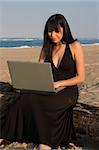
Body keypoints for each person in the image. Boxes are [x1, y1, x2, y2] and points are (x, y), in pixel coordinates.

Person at [0, 14, 85, 149]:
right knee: (25, 99)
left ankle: (45, 142)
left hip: (68, 90)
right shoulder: (47, 48)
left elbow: (81, 77)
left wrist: (59, 83)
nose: (53, 34)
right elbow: (38, 71)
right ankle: (8, 134)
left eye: (57, 31)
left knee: (46, 104)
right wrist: (29, 83)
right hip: (48, 88)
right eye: (49, 31)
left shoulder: (75, 46)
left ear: (64, 29)